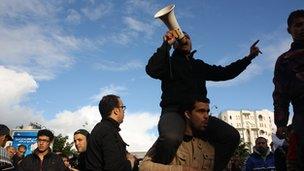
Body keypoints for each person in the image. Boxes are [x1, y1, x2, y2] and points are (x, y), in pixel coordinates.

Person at [146, 29, 261, 170]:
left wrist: (248, 58)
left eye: (187, 37)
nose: (184, 39)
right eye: (180, 37)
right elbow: (152, 70)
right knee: (170, 138)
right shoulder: (168, 63)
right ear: (175, 44)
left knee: (231, 136)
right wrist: (166, 44)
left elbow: (225, 73)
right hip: (174, 113)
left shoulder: (199, 65)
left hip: (198, 114)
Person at [140, 97, 214, 171]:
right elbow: (144, 167)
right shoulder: (170, 139)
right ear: (188, 114)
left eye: (207, 112)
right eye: (201, 111)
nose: (206, 116)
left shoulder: (209, 145)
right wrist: (182, 169)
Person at [272, 9, 304, 170]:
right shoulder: (284, 60)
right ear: (289, 30)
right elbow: (280, 94)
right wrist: (281, 123)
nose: (303, 28)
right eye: (298, 25)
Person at [85, 94, 138, 171]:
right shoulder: (107, 131)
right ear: (116, 111)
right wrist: (131, 161)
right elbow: (115, 168)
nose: (124, 111)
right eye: (122, 107)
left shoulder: (103, 129)